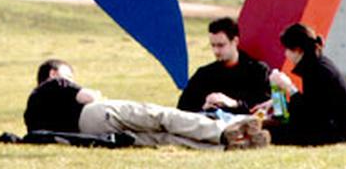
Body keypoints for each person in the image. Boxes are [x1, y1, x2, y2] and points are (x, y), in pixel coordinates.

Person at [23, 59, 270, 150]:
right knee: (161, 117)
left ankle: (225, 146)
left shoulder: (30, 116)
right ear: (54, 73)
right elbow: (90, 97)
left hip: (88, 136)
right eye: (69, 74)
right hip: (95, 114)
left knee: (159, 139)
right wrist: (95, 92)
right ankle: (223, 130)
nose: (72, 79)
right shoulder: (54, 85)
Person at [259, 23, 346, 146]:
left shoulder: (318, 71)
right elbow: (309, 107)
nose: (285, 54)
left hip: (338, 134)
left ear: (297, 50)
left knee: (271, 131)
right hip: (334, 128)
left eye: (287, 49)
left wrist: (289, 88)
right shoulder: (317, 65)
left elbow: (308, 115)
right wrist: (275, 100)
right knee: (272, 125)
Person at [176, 17, 270, 114]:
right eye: (213, 45)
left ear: (235, 41)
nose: (216, 51)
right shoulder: (204, 74)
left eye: (221, 45)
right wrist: (203, 108)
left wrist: (234, 103)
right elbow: (182, 109)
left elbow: (265, 107)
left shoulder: (257, 71)